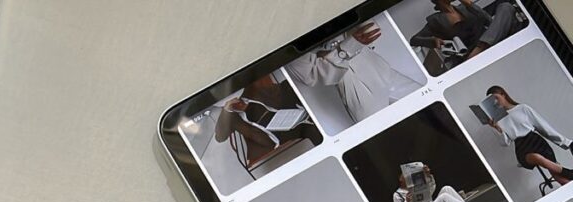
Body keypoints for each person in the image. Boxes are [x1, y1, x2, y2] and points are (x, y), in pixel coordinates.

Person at [288, 21, 418, 123]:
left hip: (379, 69)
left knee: (431, 107)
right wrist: (346, 47)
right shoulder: (285, 34)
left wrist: (331, 54)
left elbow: (371, 29)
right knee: (384, 138)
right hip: (355, 89)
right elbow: (311, 74)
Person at [215, 80, 321, 165]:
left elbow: (283, 89)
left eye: (239, 99)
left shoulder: (253, 91)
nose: (240, 104)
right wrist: (226, 111)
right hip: (272, 144)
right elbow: (220, 137)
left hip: (293, 123)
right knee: (312, 131)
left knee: (314, 128)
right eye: (235, 103)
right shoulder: (231, 118)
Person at [485, 86, 573, 186]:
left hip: (537, 142)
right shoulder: (496, 120)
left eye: (496, 97)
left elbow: (543, 127)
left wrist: (566, 142)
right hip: (522, 147)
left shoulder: (522, 108)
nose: (495, 102)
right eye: (491, 101)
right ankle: (570, 173)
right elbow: (505, 143)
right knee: (537, 158)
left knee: (561, 180)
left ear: (503, 94)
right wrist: (497, 128)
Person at [411, 1, 522, 62]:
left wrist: (470, 5)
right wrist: (433, 40)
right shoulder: (435, 20)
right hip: (469, 50)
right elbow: (413, 40)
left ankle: (481, 47)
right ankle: (478, 51)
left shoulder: (465, 7)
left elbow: (489, 22)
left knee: (506, 6)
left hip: (489, 40)